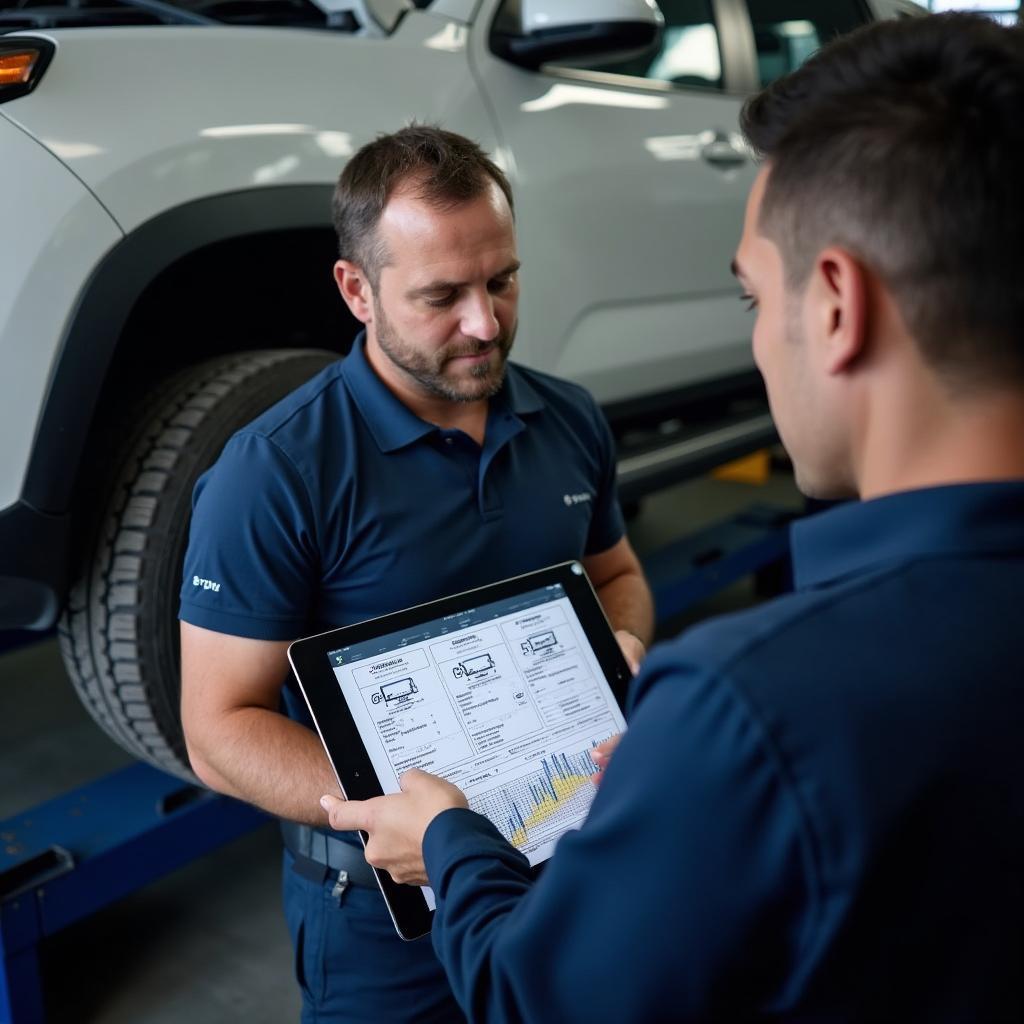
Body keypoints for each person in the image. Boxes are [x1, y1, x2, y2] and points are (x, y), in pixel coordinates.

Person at [321, 14, 1024, 1022]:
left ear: (833, 305)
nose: (483, 319)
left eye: (751, 301)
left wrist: (450, 837)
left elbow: (538, 995)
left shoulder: (749, 706)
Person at [178, 126, 653, 1023]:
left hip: (574, 863)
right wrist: (409, 818)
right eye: (442, 296)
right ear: (356, 290)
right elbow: (218, 732)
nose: (486, 322)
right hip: (384, 921)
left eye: (502, 281)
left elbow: (617, 571)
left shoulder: (569, 418)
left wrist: (618, 644)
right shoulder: (274, 472)